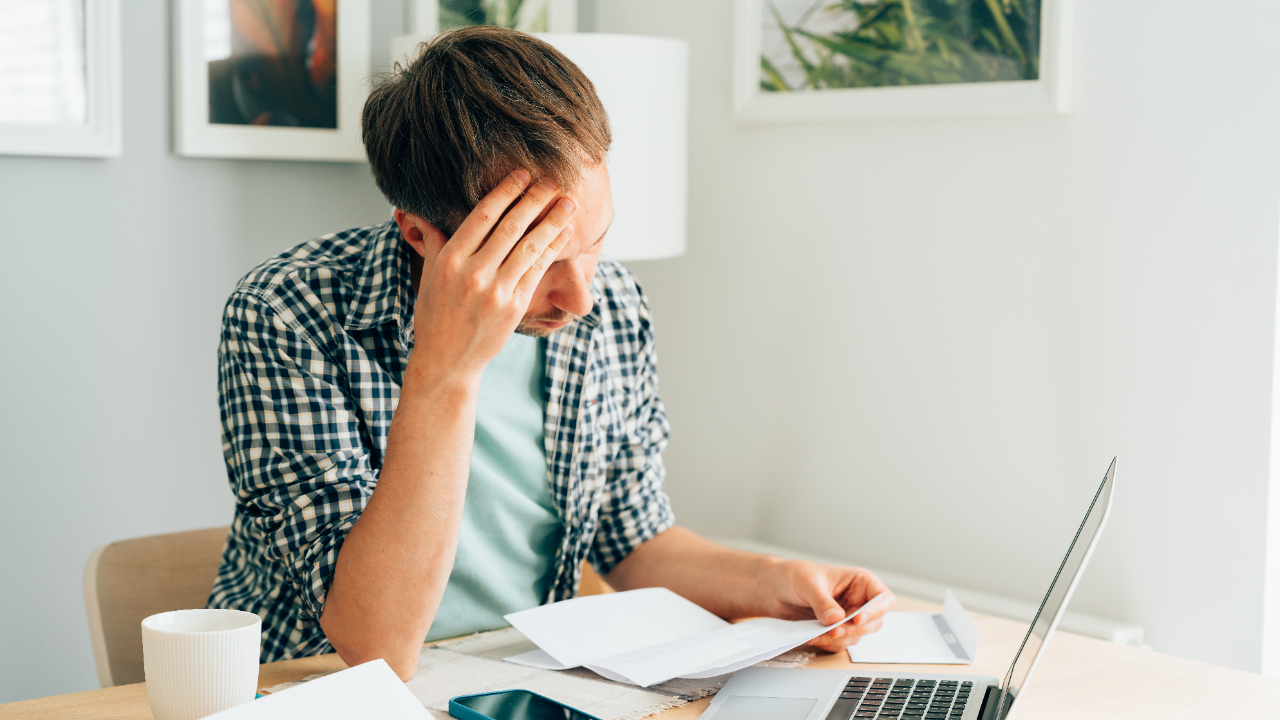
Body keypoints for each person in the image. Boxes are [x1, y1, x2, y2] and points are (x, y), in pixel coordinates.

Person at [208, 26, 894, 680]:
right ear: (420, 235)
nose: (581, 300)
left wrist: (770, 581)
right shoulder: (287, 314)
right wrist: (446, 370)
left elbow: (635, 541)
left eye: (594, 245)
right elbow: (373, 644)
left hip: (527, 678)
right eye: (536, 262)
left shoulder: (614, 305)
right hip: (313, 688)